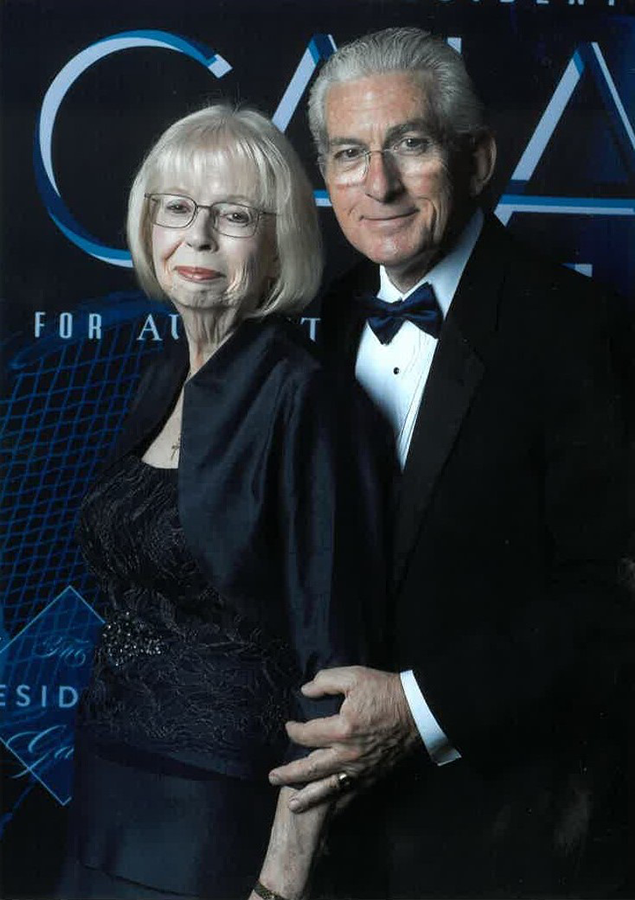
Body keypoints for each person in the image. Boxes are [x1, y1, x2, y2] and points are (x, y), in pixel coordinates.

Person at [268, 27, 633, 898]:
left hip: (514, 834)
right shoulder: (312, 326)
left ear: (475, 159)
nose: (378, 184)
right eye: (349, 154)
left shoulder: (581, 328)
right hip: (333, 842)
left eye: (411, 146)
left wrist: (419, 710)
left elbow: (615, 587)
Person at [58, 103, 391, 900]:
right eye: (178, 208)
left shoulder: (304, 399)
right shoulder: (162, 379)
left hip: (215, 828)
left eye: (233, 215)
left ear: (276, 243)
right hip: (104, 796)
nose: (198, 238)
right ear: (149, 225)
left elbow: (335, 672)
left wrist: (278, 882)